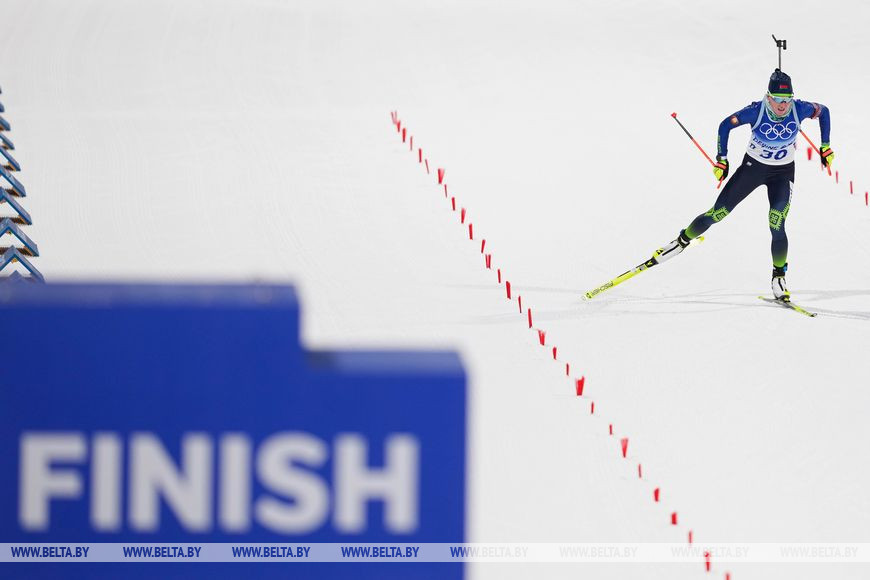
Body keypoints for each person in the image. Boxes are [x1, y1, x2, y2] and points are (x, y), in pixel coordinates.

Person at [653, 69, 833, 302]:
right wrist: (722, 159)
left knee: (777, 222)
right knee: (717, 213)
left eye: (787, 99)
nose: (782, 105)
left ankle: (779, 276)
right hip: (752, 170)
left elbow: (824, 111)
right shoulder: (756, 111)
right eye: (778, 99)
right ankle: (681, 241)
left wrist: (825, 146)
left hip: (782, 174)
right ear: (768, 97)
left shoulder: (799, 109)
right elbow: (725, 125)